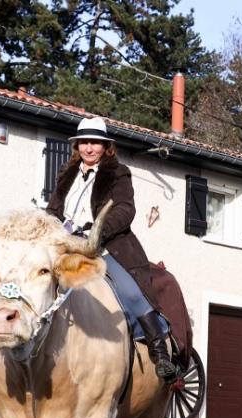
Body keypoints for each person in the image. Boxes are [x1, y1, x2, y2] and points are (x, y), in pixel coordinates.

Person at [45, 117, 176, 382]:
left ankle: (160, 352)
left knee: (130, 291)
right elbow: (54, 210)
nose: (89, 148)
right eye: (84, 143)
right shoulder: (66, 173)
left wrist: (99, 231)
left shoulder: (118, 172)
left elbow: (126, 209)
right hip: (64, 242)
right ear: (77, 145)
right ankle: (12, 350)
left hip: (105, 244)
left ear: (106, 146)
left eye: (95, 142)